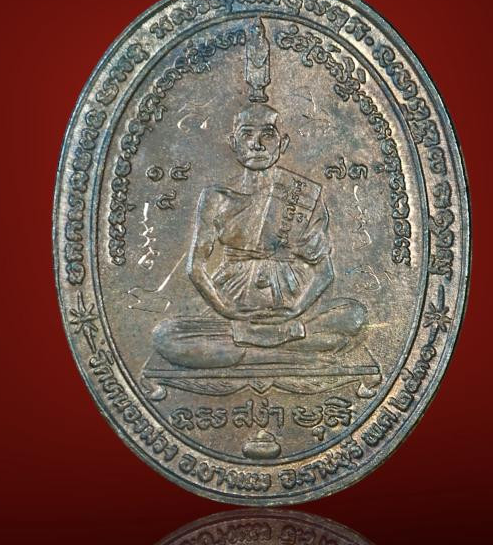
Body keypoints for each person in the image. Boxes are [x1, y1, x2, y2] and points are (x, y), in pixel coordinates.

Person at [152, 104, 366, 368]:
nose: (257, 144)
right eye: (246, 135)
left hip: (291, 305)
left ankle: (259, 344)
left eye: (267, 134)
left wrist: (295, 310)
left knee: (353, 315)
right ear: (233, 143)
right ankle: (281, 353)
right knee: (165, 335)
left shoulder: (303, 195)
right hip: (232, 305)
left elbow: (324, 272)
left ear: (283, 143)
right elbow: (195, 267)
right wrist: (227, 310)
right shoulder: (216, 198)